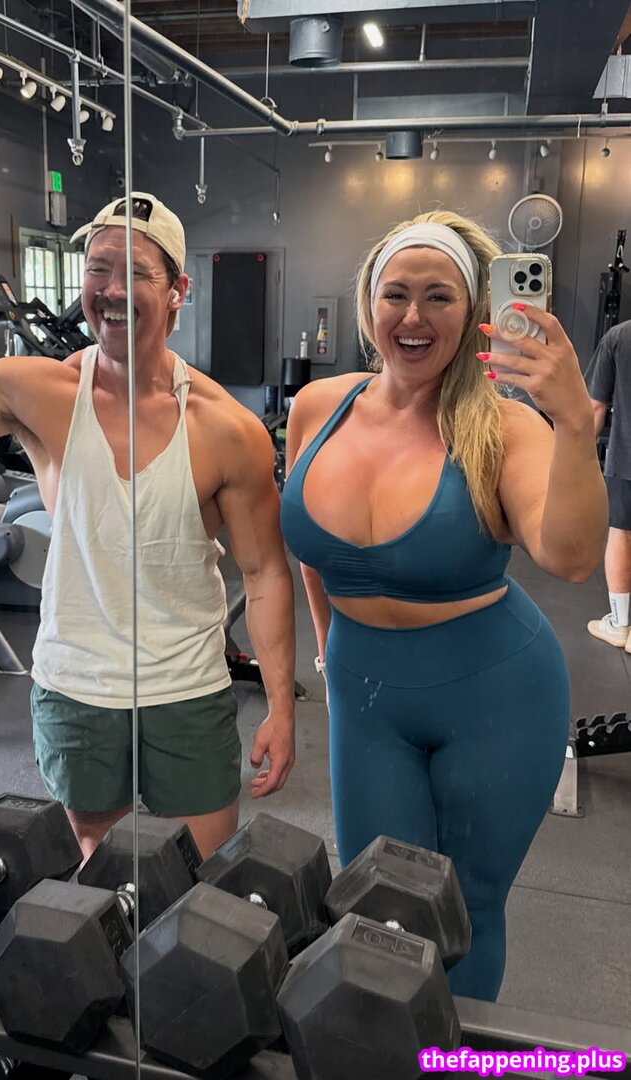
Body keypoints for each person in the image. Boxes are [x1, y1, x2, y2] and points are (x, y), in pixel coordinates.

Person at [0, 191, 296, 860]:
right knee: (96, 881)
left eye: (135, 272)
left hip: (187, 690)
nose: (110, 290)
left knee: (200, 881)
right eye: (97, 269)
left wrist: (281, 708)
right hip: (77, 687)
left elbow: (263, 575)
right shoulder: (39, 393)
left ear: (178, 291)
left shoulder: (227, 429)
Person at [281, 210, 607, 1001]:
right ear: (368, 301)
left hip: (494, 694)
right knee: (376, 907)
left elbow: (569, 557)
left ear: (475, 310)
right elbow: (312, 558)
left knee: (465, 912)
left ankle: (451, 1058)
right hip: (363, 694)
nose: (413, 317)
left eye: (439, 296)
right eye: (395, 293)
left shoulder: (504, 426)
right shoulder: (316, 406)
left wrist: (571, 422)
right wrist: (328, 653)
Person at [585, 319, 631, 648]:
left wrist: (577, 463)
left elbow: (595, 405)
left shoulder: (620, 336)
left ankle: (620, 624)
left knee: (621, 533)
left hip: (626, 458)